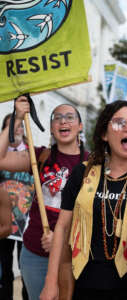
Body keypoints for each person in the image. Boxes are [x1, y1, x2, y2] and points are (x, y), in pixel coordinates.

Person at [40, 100, 127, 300]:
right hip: (87, 285)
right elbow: (62, 228)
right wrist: (51, 282)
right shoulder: (83, 172)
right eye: (119, 122)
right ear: (104, 134)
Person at [0, 95, 88, 300]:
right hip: (34, 254)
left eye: (69, 117)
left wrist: (62, 241)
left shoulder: (92, 164)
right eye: (57, 118)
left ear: (80, 126)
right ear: (51, 127)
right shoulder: (39, 156)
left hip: (74, 256)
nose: (63, 121)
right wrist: (17, 118)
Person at [0, 113, 32, 300]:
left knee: (26, 268)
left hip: (26, 222)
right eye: (9, 126)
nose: (15, 130)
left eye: (18, 126)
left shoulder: (33, 153)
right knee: (4, 269)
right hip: (3, 222)